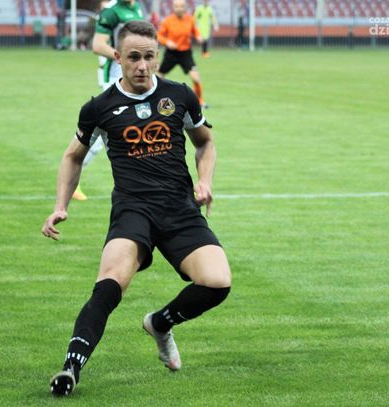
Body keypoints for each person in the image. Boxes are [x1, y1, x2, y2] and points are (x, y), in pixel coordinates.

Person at [42, 20, 231, 397]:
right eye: (133, 58)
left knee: (217, 281)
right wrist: (60, 205)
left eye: (149, 57)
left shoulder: (179, 96)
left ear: (158, 57)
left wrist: (205, 180)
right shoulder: (99, 107)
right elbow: (73, 156)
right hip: (133, 210)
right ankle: (70, 368)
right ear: (117, 57)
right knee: (109, 283)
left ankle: (160, 323)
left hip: (179, 208)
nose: (142, 66)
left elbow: (205, 143)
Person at [71, 0, 145, 201]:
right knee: (100, 133)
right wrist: (125, 57)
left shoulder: (137, 8)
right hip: (116, 79)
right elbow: (98, 45)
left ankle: (166, 182)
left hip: (138, 78)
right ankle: (72, 178)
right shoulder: (112, 12)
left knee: (148, 127)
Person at [157, 0, 207, 108]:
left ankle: (199, 101)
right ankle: (155, 99)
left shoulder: (190, 19)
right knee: (159, 76)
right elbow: (159, 35)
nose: (179, 8)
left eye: (181, 6)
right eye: (176, 6)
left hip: (185, 53)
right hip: (171, 53)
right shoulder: (168, 21)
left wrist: (198, 37)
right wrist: (167, 42)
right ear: (173, 7)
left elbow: (195, 31)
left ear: (185, 7)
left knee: (196, 78)